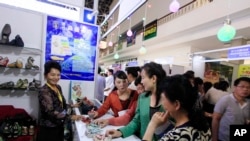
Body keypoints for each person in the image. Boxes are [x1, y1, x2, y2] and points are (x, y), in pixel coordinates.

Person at [106, 62, 168, 140]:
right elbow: (136, 121)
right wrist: (120, 132)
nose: (141, 81)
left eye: (143, 77)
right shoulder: (143, 98)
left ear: (153, 78)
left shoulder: (169, 100)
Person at [143, 75, 211, 141]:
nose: (162, 103)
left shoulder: (174, 136)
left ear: (176, 104)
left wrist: (152, 125)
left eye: (163, 99)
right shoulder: (204, 125)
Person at [36, 61, 82, 141]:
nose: (56, 77)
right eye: (52, 75)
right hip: (49, 129)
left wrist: (72, 106)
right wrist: (71, 117)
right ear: (46, 75)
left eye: (58, 75)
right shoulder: (44, 91)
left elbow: (60, 105)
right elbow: (50, 112)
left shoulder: (58, 87)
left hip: (59, 125)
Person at [212, 77, 250, 141]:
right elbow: (216, 118)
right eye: (242, 86)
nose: (245, 89)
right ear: (234, 87)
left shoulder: (248, 102)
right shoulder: (225, 100)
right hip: (224, 137)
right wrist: (214, 138)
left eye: (248, 87)